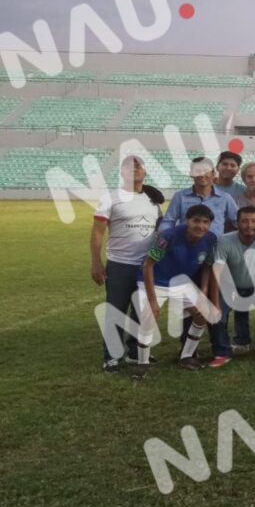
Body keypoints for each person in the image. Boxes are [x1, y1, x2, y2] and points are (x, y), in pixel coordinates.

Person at [91, 156, 163, 372]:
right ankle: (112, 356)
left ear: (145, 172)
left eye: (139, 165)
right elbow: (97, 231)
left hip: (147, 266)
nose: (135, 169)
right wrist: (96, 262)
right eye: (130, 167)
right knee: (116, 311)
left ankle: (134, 351)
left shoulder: (153, 200)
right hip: (120, 264)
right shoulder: (110, 198)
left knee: (142, 312)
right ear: (121, 172)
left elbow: (160, 230)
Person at [134, 204, 220, 378]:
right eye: (196, 221)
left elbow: (207, 267)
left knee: (203, 314)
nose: (200, 226)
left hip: (182, 283)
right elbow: (148, 265)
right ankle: (142, 364)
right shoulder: (167, 236)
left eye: (205, 222)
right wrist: (152, 299)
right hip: (155, 281)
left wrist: (203, 293)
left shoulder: (211, 239)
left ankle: (186, 357)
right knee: (149, 316)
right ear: (187, 221)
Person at [208, 206, 255, 367]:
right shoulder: (224, 240)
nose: (249, 225)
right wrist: (214, 303)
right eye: (244, 221)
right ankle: (222, 352)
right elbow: (217, 271)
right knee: (216, 316)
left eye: (253, 221)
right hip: (231, 286)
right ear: (237, 223)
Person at [160, 156, 237, 237]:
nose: (202, 174)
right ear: (191, 174)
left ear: (213, 174)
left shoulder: (225, 198)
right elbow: (168, 221)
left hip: (215, 246)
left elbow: (237, 221)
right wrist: (165, 235)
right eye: (197, 171)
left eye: (206, 171)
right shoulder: (180, 196)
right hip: (186, 246)